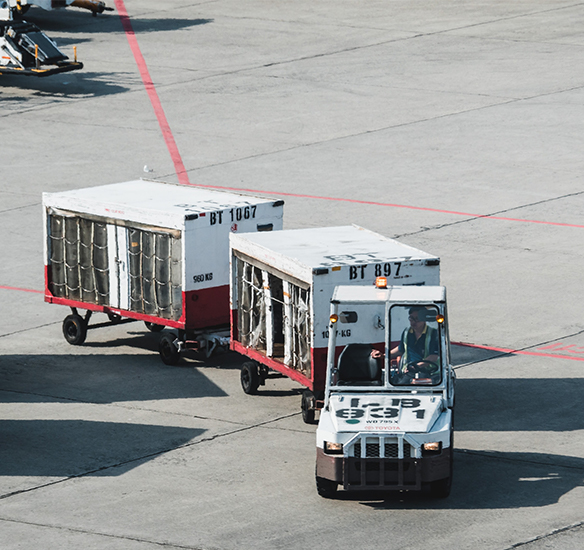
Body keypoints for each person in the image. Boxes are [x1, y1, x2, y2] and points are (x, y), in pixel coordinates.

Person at [372, 307, 440, 378]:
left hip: (430, 373)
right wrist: (383, 355)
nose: (413, 322)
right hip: (409, 371)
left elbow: (433, 357)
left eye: (416, 319)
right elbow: (400, 349)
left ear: (424, 319)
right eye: (411, 318)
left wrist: (416, 366)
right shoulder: (406, 332)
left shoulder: (433, 334)